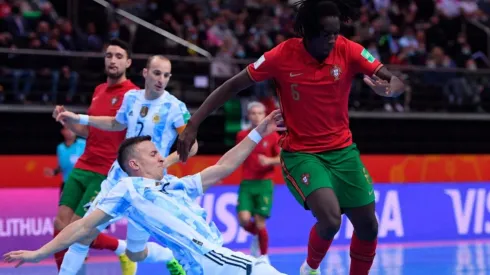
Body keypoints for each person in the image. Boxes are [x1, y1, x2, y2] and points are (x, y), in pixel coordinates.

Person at [176, 1, 405, 274]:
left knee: (369, 227)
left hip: (343, 152)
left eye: (335, 32)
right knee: (331, 221)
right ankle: (309, 268)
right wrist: (193, 125)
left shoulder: (348, 49)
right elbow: (232, 85)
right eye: (325, 34)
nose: (332, 39)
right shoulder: (281, 56)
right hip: (302, 154)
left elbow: (396, 80)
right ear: (306, 32)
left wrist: (390, 90)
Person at [4, 110, 287, 275]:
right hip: (212, 259)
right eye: (154, 153)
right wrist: (39, 254)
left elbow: (224, 166)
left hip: (210, 263)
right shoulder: (129, 188)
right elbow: (82, 226)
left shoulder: (174, 184)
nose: (162, 157)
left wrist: (259, 131)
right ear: (135, 164)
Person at [55, 55, 196, 275]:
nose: (161, 79)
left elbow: (192, 146)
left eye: (166, 75)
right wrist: (80, 118)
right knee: (83, 235)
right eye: (157, 73)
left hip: (147, 188)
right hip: (117, 179)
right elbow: (115, 123)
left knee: (135, 253)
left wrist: (164, 162)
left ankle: (168, 255)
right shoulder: (131, 98)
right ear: (145, 73)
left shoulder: (174, 107)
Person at [51, 38, 138, 275]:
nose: (113, 60)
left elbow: (118, 127)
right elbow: (90, 132)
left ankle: (121, 248)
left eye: (119, 56)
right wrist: (68, 120)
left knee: (77, 229)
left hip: (106, 172)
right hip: (83, 166)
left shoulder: (133, 95)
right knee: (60, 226)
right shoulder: (99, 90)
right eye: (109, 55)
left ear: (128, 62)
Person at [236, 102, 280, 262]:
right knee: (244, 219)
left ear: (264, 115)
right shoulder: (242, 136)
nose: (256, 116)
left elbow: (282, 158)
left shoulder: (273, 136)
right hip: (247, 183)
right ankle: (257, 237)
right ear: (248, 116)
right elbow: (236, 156)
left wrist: (268, 161)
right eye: (253, 113)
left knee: (260, 222)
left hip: (264, 183)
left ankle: (263, 256)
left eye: (260, 113)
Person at [44, 126, 86, 197]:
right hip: (66, 183)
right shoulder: (60, 147)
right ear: (62, 131)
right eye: (67, 129)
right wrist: (54, 172)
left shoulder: (84, 144)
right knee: (63, 206)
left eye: (72, 129)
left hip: (81, 182)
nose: (70, 132)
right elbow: (61, 166)